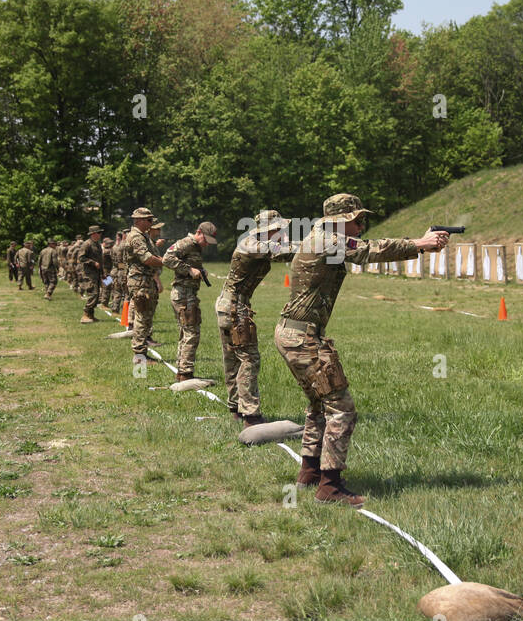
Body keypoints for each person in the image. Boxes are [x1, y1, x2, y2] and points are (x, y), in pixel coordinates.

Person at [276, 194, 448, 506]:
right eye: (357, 220)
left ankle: (310, 472)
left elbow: (369, 246)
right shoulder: (327, 240)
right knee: (341, 408)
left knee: (319, 405)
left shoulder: (322, 238)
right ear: (339, 220)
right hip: (302, 338)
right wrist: (420, 244)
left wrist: (419, 242)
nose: (361, 225)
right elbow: (371, 250)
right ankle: (330, 488)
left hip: (296, 334)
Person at [217, 210, 294, 428]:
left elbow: (283, 252)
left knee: (233, 359)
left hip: (231, 306)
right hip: (235, 308)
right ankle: (250, 415)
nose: (284, 233)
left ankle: (236, 407)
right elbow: (278, 251)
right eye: (280, 229)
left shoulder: (258, 244)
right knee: (249, 359)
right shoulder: (250, 244)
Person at [162, 221, 218, 380]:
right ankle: (186, 373)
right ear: (198, 232)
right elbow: (167, 258)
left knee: (186, 331)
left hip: (187, 292)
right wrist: (189, 270)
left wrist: (199, 270)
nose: (207, 244)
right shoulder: (187, 243)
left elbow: (189, 263)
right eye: (205, 240)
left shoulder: (196, 247)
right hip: (183, 294)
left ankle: (182, 372)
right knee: (192, 332)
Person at [124, 208, 164, 364]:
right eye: (148, 220)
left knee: (146, 316)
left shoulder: (144, 236)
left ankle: (142, 353)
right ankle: (140, 356)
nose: (151, 223)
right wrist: (166, 261)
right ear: (138, 220)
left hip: (146, 280)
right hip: (140, 281)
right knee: (142, 317)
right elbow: (147, 258)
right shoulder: (136, 237)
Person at [77, 225, 105, 323]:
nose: (100, 234)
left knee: (97, 295)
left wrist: (102, 273)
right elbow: (81, 258)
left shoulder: (97, 244)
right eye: (99, 233)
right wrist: (93, 262)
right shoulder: (87, 244)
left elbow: (100, 260)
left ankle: (91, 316)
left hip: (97, 273)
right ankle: (85, 314)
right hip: (89, 273)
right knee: (93, 293)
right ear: (93, 234)